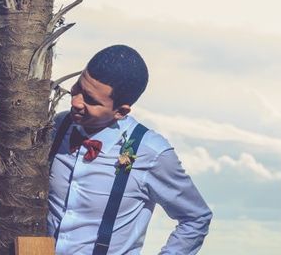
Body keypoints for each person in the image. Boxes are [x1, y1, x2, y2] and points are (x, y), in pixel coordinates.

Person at [48, 45, 212, 255]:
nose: (75, 101)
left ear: (120, 111)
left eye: (90, 100)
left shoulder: (151, 152)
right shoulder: (57, 126)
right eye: (78, 87)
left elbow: (196, 217)